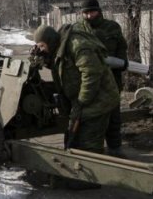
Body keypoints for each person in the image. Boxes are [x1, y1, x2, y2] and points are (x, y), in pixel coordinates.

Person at [33, 24, 120, 154]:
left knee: (88, 147)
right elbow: (63, 67)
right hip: (83, 102)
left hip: (98, 101)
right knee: (73, 142)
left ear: (50, 41)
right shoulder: (59, 46)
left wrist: (82, 101)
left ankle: (95, 168)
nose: (41, 49)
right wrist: (44, 59)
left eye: (42, 46)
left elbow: (91, 73)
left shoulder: (77, 45)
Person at [73, 0, 128, 157]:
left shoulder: (112, 27)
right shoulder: (78, 28)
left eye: (91, 12)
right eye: (85, 13)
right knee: (88, 116)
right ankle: (90, 150)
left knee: (113, 116)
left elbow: (121, 49)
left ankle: (115, 148)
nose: (88, 16)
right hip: (88, 80)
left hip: (111, 79)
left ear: (99, 11)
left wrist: (120, 63)